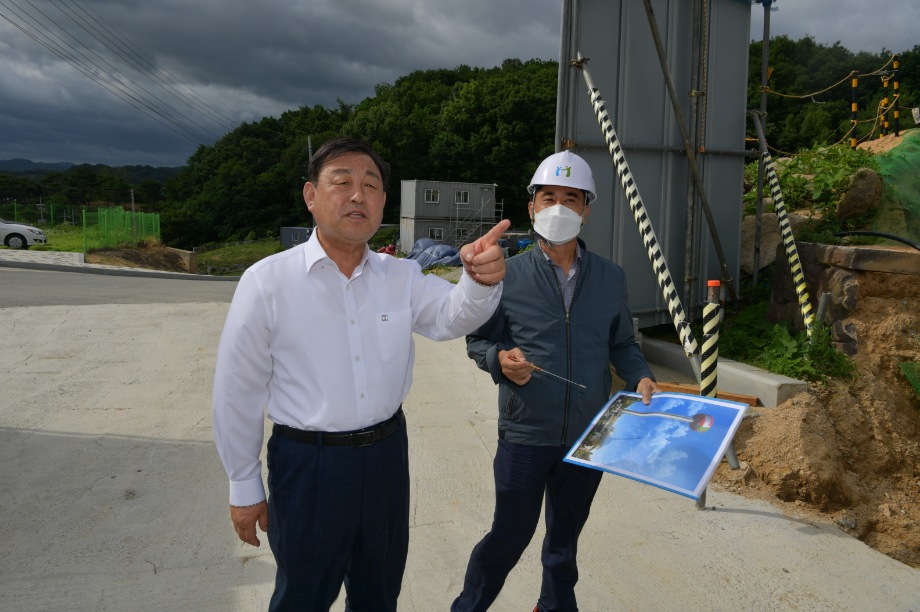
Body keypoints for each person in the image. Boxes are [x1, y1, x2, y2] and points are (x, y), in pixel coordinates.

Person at [212, 136, 511, 611]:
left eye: (371, 185)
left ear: (383, 203)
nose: (358, 195)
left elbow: (451, 317)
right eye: (342, 182)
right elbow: (236, 393)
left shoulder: (402, 276)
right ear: (311, 195)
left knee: (379, 592)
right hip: (308, 466)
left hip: (387, 459)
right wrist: (244, 485)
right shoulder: (267, 282)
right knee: (302, 598)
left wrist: (478, 279)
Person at [451, 149, 660, 612]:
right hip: (526, 431)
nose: (559, 208)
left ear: (587, 209)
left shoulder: (610, 277)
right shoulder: (505, 275)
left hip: (589, 434)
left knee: (564, 543)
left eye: (572, 198)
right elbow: (477, 340)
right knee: (508, 538)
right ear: (531, 207)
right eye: (549, 198)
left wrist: (641, 376)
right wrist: (499, 359)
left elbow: (622, 343)